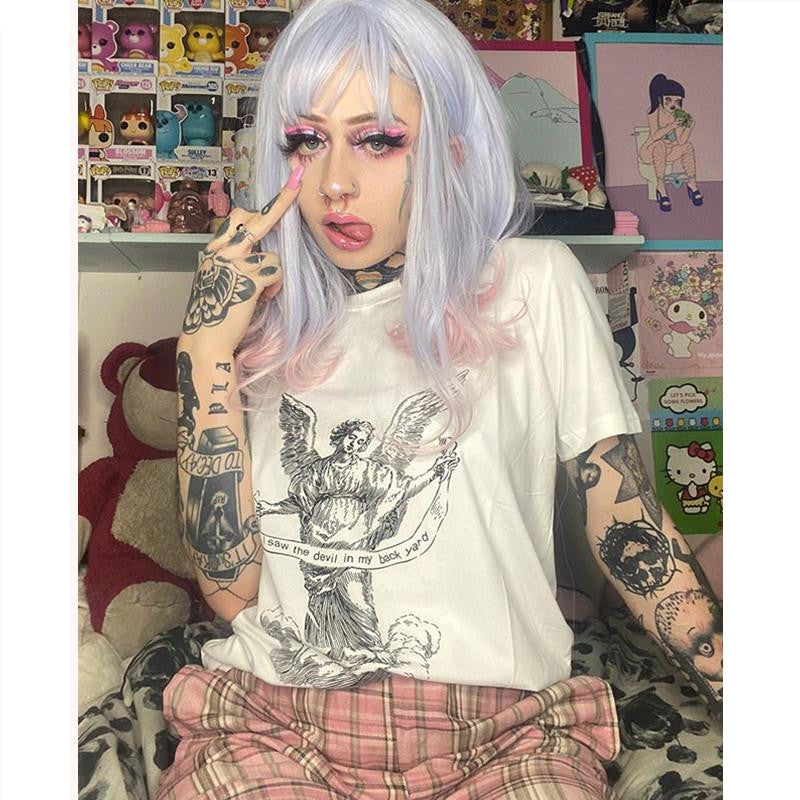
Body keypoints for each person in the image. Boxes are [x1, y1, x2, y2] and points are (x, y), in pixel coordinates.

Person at [161, 1, 722, 798]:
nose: (335, 182)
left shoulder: (534, 284)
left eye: (378, 140)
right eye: (308, 139)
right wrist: (204, 351)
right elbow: (229, 594)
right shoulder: (263, 327)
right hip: (275, 724)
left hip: (505, 735)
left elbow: (625, 521)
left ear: (453, 151)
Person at [638, 73, 704, 212]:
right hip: (650, 150)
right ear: (660, 98)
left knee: (687, 146)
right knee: (660, 145)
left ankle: (692, 184)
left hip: (670, 151)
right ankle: (661, 188)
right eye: (668, 100)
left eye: (677, 102)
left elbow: (681, 141)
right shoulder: (653, 112)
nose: (673, 105)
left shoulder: (678, 115)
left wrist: (688, 127)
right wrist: (672, 125)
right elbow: (655, 135)